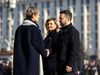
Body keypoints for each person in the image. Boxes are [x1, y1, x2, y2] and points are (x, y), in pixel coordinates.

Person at [13, 7, 49, 75]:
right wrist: (46, 52)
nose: (39, 17)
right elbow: (39, 45)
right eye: (38, 15)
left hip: (19, 64)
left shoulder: (19, 29)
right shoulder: (33, 29)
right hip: (32, 63)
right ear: (33, 16)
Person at [55, 10, 81, 75]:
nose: (59, 20)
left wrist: (70, 64)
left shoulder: (73, 32)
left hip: (68, 68)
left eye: (61, 18)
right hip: (59, 66)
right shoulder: (60, 31)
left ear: (67, 19)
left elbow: (74, 50)